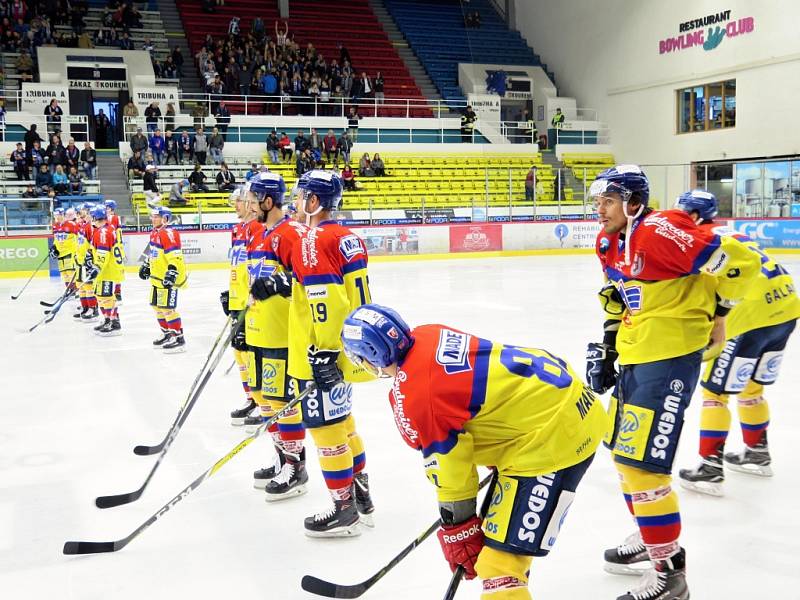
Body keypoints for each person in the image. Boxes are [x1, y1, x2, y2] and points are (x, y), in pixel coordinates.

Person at [341, 304, 606, 599]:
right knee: (505, 549)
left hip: (553, 438)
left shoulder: (417, 396)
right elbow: (478, 396)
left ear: (371, 354)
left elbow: (449, 467)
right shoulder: (428, 335)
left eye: (358, 356)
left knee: (499, 567)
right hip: (555, 409)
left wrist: (459, 527)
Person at [585, 166, 761, 600]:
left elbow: (743, 264)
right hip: (635, 353)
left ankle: (670, 575)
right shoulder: (609, 241)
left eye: (607, 200)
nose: (599, 209)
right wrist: (608, 345)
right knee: (624, 459)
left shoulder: (661, 232)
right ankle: (651, 540)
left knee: (642, 467)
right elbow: (617, 295)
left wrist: (720, 318)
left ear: (632, 201)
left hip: (668, 359)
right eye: (598, 201)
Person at [674, 190, 800, 495]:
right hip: (786, 308)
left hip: (749, 317)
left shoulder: (699, 239)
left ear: (693, 216)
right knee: (750, 387)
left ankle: (709, 468)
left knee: (715, 393)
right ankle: (756, 453)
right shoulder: (732, 232)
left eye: (681, 214)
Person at [281, 170, 375, 536]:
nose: (296, 199)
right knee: (345, 424)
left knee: (325, 429)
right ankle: (361, 496)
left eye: (302, 194)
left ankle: (343, 509)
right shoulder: (347, 236)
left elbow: (325, 299)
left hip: (324, 352)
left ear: (315, 201)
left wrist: (325, 352)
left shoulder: (314, 238)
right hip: (350, 347)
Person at [244, 173, 310, 497]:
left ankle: (296, 468)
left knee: (283, 404)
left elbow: (309, 279)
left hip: (281, 336)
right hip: (260, 332)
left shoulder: (290, 234)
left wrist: (279, 285)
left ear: (268, 201)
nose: (250, 205)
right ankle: (283, 456)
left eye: (255, 199)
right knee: (265, 402)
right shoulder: (261, 234)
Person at [224, 187, 259, 426]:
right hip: (239, 300)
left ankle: (260, 399)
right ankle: (251, 398)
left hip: (253, 302)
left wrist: (247, 296)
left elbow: (257, 268)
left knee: (252, 354)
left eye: (239, 201)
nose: (235, 204)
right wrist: (232, 294)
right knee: (240, 353)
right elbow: (238, 266)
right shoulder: (237, 229)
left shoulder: (257, 228)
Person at [139, 206, 188, 351]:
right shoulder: (155, 232)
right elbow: (153, 252)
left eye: (156, 216)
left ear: (165, 218)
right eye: (152, 216)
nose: (152, 219)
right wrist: (147, 265)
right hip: (156, 277)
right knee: (157, 306)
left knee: (167, 309)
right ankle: (167, 333)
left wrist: (172, 273)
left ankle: (179, 338)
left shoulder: (169, 233)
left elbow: (175, 255)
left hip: (166, 278)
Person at [86, 204, 125, 336]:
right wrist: (90, 255)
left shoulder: (103, 232)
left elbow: (103, 253)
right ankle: (107, 319)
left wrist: (96, 266)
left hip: (107, 270)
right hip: (104, 270)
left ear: (96, 217)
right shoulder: (103, 229)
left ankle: (114, 322)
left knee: (107, 297)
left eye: (92, 216)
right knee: (100, 296)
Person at [50, 207, 79, 293]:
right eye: (55, 215)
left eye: (58, 215)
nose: (57, 217)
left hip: (70, 251)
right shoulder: (55, 225)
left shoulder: (71, 224)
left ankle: (74, 289)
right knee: (64, 273)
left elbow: (79, 237)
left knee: (70, 272)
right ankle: (69, 289)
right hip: (60, 253)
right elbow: (56, 238)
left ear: (62, 215)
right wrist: (54, 247)